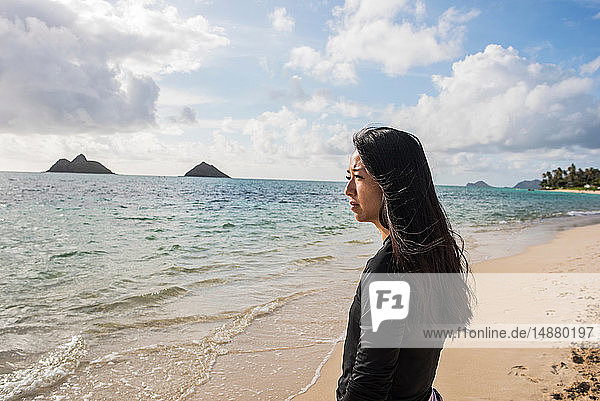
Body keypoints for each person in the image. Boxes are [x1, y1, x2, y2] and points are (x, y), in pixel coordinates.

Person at [336, 127, 472, 401]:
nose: (348, 189)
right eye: (349, 177)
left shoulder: (388, 268)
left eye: (359, 177)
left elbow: (370, 382)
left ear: (391, 185)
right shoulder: (434, 251)